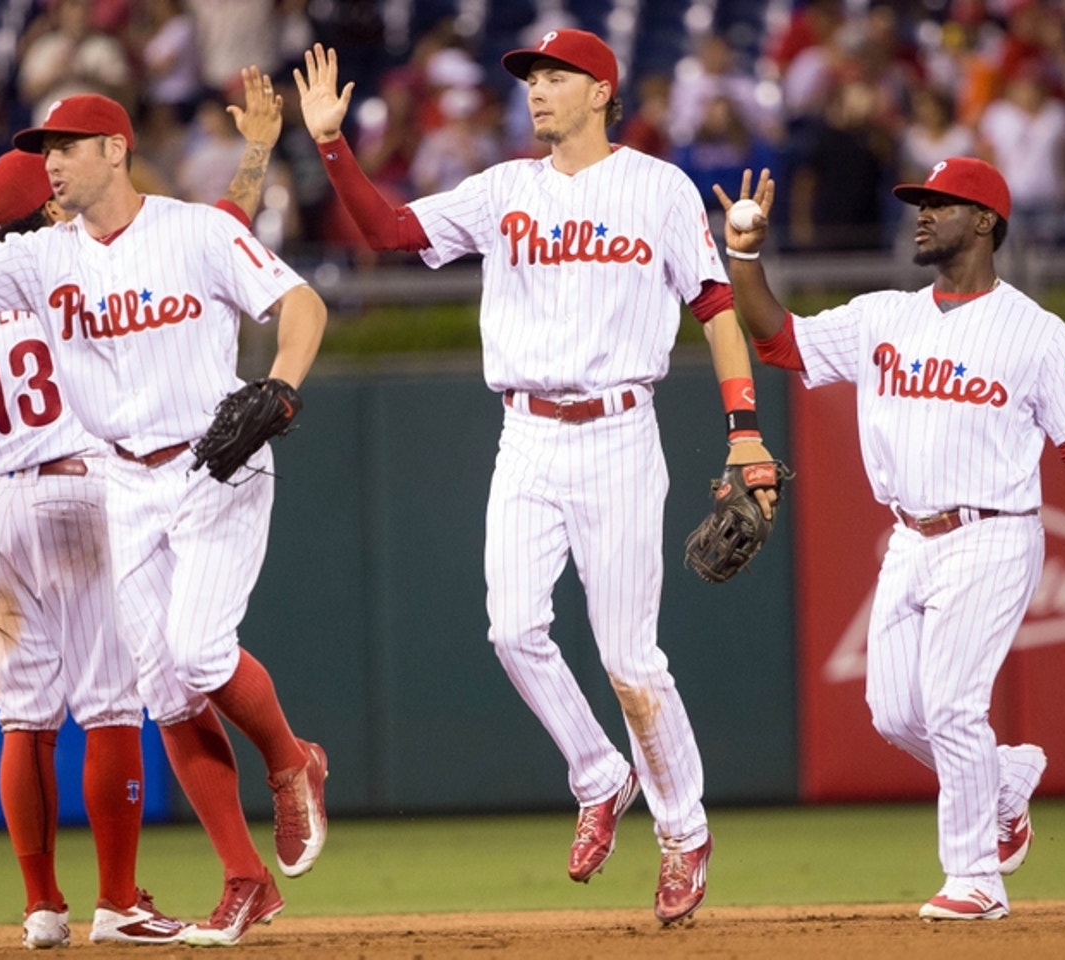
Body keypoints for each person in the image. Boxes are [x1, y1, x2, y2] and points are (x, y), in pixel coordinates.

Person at [294, 31, 781, 925]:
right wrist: (331, 142)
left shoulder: (658, 189)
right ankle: (599, 774)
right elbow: (389, 229)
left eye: (557, 78)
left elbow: (714, 309)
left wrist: (745, 432)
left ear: (603, 91)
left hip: (620, 435)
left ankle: (684, 831)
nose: (538, 92)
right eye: (531, 79)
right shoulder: (504, 189)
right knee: (513, 628)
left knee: (631, 661)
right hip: (525, 434)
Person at [0, 67, 328, 948]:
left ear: (115, 150)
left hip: (214, 464)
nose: (49, 165)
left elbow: (302, 303)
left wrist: (280, 384)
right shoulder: (43, 258)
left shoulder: (196, 232)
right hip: (119, 484)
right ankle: (244, 879)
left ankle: (291, 759)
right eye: (40, 153)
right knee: (163, 691)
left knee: (197, 655)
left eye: (64, 149)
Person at [713, 157, 1065, 920]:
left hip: (994, 535)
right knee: (894, 714)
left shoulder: (1035, 332)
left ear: (985, 223)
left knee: (950, 705)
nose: (921, 213)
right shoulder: (885, 314)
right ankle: (1003, 784)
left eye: (941, 204)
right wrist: (744, 254)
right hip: (907, 538)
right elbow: (778, 341)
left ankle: (976, 877)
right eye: (919, 201)